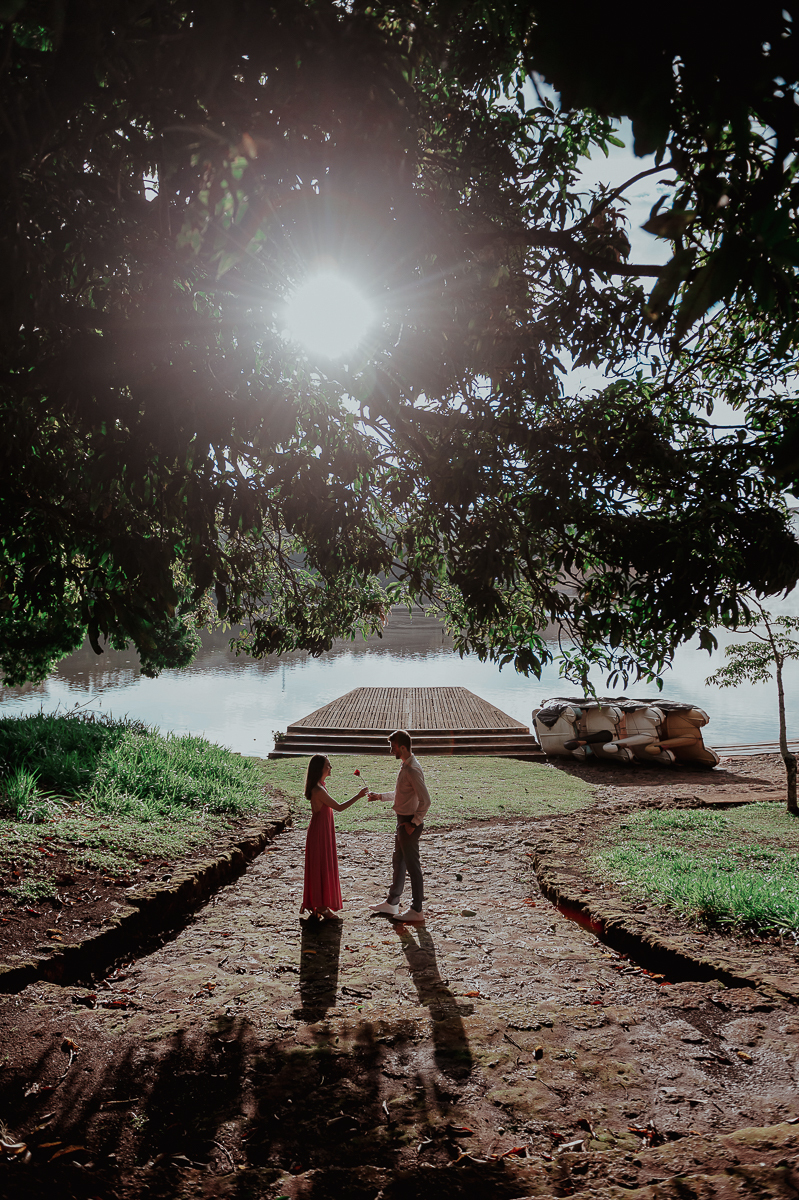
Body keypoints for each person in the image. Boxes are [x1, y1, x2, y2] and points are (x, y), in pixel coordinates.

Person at [368, 730, 431, 923]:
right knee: (399, 862)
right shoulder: (406, 765)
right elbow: (401, 793)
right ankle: (392, 902)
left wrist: (414, 823)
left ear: (403, 747)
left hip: (408, 823)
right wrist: (380, 796)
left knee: (413, 866)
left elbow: (426, 800)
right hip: (402, 821)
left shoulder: (412, 769)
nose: (391, 751)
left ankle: (417, 910)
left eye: (393, 747)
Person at [301, 754, 367, 920]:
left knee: (323, 865)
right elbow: (339, 807)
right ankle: (321, 906)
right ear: (320, 769)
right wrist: (358, 796)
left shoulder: (320, 786)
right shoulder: (318, 790)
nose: (330, 768)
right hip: (319, 832)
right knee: (321, 866)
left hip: (323, 830)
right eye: (328, 765)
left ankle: (319, 903)